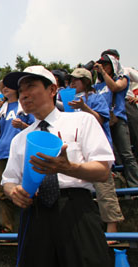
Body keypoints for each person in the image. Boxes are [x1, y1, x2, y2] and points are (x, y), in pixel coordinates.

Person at [2, 65, 113, 266]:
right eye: (21, 91)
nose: (24, 94)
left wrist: (68, 168)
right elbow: (8, 180)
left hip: (75, 209)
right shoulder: (20, 139)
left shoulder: (81, 121)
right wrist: (14, 192)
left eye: (30, 86)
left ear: (52, 90)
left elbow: (103, 170)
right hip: (34, 214)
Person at [67, 68, 124, 236]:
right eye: (71, 80)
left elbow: (100, 120)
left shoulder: (95, 98)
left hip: (95, 149)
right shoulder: (69, 100)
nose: (72, 83)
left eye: (76, 80)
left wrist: (84, 107)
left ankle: (112, 227)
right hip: (76, 149)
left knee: (104, 189)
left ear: (85, 81)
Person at [0, 84, 34, 233]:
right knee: (4, 192)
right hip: (2, 152)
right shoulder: (1, 110)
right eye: (3, 87)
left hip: (22, 151)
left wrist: (22, 125)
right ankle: (8, 228)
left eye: (8, 86)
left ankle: (26, 227)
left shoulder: (24, 106)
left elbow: (36, 127)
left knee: (23, 189)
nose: (4, 89)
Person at [93, 54, 138, 188]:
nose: (103, 67)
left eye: (106, 64)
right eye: (101, 65)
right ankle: (122, 187)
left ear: (112, 65)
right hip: (104, 122)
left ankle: (135, 186)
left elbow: (115, 88)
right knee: (110, 156)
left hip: (118, 120)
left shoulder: (122, 78)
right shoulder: (97, 86)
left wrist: (102, 72)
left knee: (126, 154)